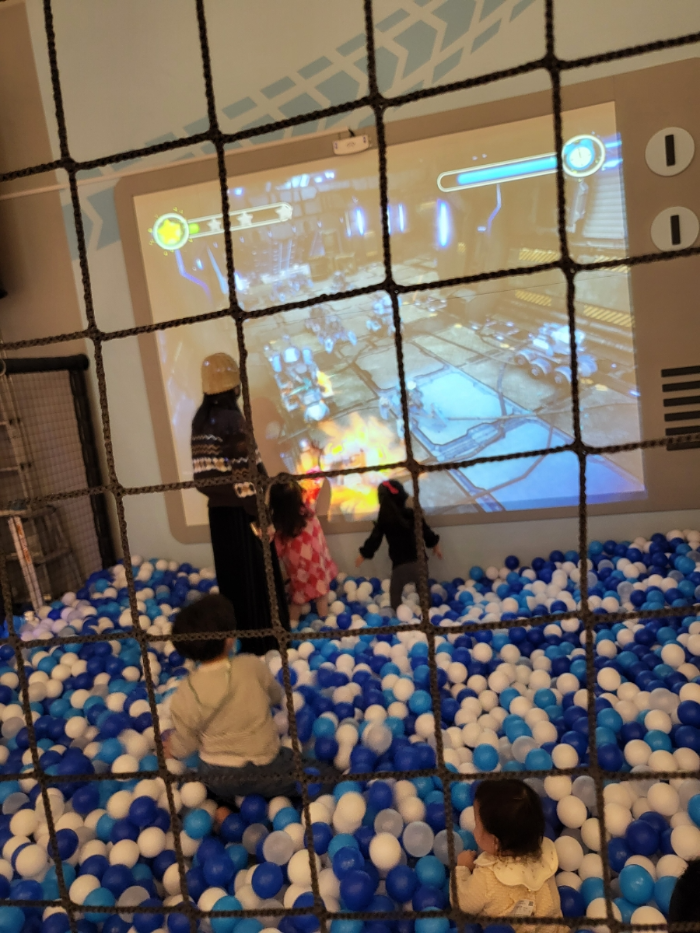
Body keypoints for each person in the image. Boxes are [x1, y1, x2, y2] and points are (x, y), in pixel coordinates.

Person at [191, 353, 289, 655]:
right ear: (234, 386)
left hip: (219, 516)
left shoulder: (201, 420)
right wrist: (261, 517)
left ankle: (243, 639)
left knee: (232, 579)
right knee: (258, 577)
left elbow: (202, 479)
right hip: (243, 515)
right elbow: (246, 479)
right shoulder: (232, 420)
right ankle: (267, 641)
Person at [162, 594, 298, 811]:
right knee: (317, 775)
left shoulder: (185, 692)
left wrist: (172, 749)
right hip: (265, 765)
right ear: (229, 639)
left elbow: (187, 741)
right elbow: (275, 695)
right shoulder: (251, 665)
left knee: (210, 786)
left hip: (216, 775)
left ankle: (222, 806)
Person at [452, 779, 564, 932]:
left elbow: (462, 903)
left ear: (495, 842)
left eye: (477, 825)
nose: (473, 830)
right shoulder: (545, 857)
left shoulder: (487, 878)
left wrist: (462, 869)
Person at [355, 478, 442, 610]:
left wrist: (364, 554)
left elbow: (374, 539)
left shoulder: (384, 520)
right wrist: (435, 545)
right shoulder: (412, 514)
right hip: (419, 563)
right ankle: (427, 612)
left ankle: (398, 614)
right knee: (423, 591)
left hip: (399, 566)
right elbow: (426, 531)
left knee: (395, 594)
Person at [269, 476, 337, 622]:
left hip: (299, 573)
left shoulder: (280, 528)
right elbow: (315, 485)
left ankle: (291, 625)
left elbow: (275, 552)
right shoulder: (308, 511)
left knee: (298, 600)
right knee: (321, 595)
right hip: (317, 566)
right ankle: (325, 622)